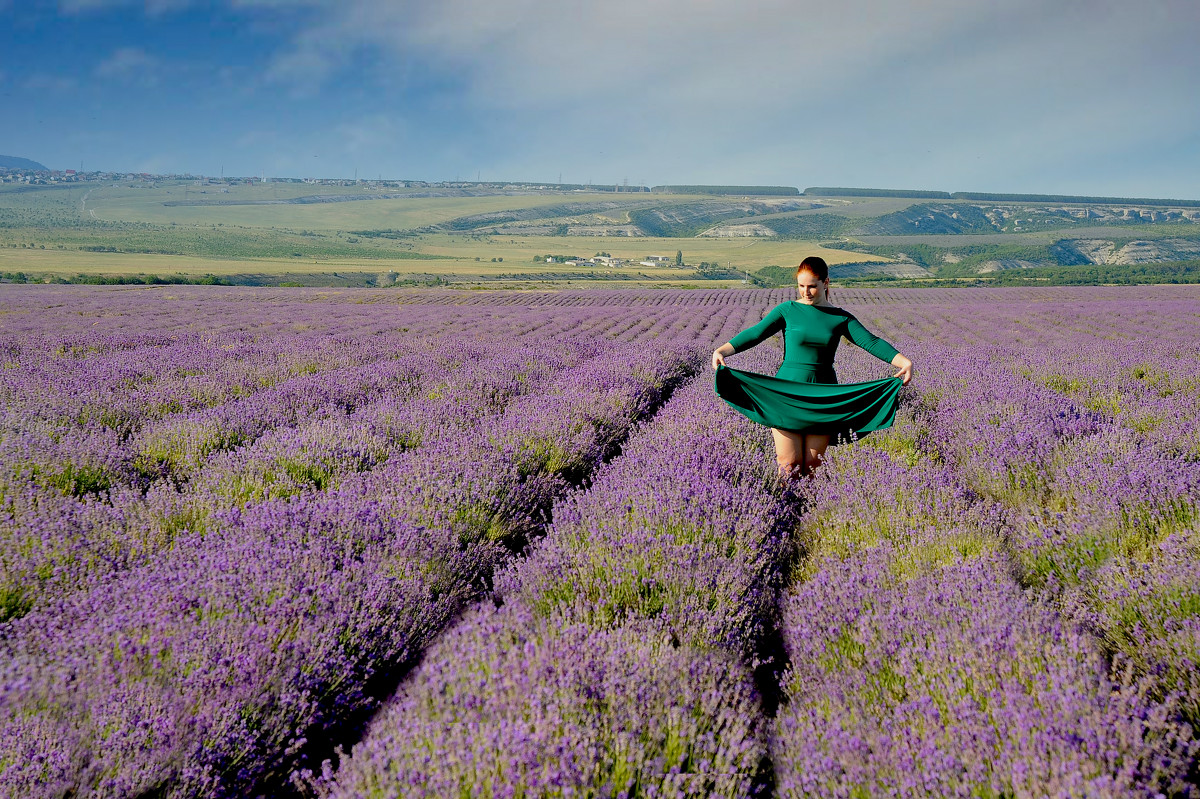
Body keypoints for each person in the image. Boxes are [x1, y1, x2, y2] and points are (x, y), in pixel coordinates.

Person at [711, 256, 913, 478]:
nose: (805, 292)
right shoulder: (787, 310)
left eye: (812, 287)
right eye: (801, 286)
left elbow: (871, 342)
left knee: (812, 465)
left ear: (825, 283)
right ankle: (783, 507)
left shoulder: (840, 317)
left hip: (823, 396)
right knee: (788, 463)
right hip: (787, 393)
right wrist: (722, 350)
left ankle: (806, 508)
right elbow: (756, 333)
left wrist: (903, 361)